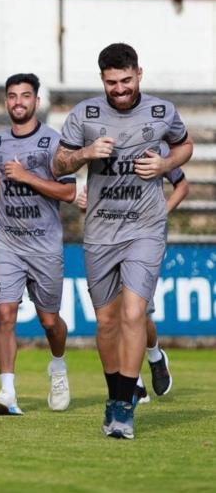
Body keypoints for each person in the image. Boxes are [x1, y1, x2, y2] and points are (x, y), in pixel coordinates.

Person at [53, 43, 193, 439]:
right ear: (102, 80)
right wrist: (85, 153)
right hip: (100, 233)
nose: (119, 89)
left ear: (139, 74)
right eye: (112, 82)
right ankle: (116, 394)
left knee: (134, 314)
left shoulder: (162, 111)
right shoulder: (85, 115)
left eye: (126, 81)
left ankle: (123, 407)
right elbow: (58, 163)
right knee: (106, 322)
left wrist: (165, 164)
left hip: (146, 228)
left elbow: (185, 146)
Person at [0, 73, 75, 416]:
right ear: (6, 101)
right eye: (12, 96)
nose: (18, 101)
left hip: (45, 243)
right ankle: (7, 392)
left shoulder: (55, 142)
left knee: (49, 322)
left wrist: (28, 177)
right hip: (6, 240)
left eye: (25, 96)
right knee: (5, 314)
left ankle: (58, 365)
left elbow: (68, 192)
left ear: (37, 101)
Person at [75, 148, 189, 403]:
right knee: (112, 316)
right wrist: (87, 203)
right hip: (106, 239)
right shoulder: (103, 148)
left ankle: (155, 355)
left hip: (142, 239)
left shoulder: (155, 149)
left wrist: (161, 213)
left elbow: (182, 186)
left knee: (136, 312)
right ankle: (133, 383)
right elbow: (92, 197)